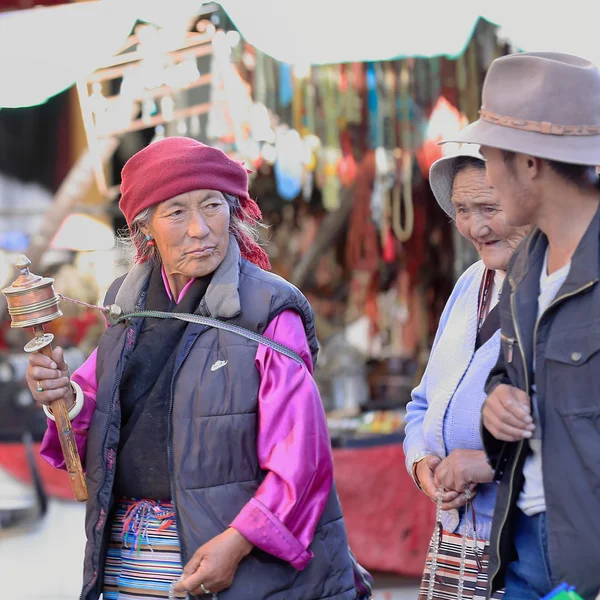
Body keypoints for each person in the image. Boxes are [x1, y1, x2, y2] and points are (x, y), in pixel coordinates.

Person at [25, 137, 363, 600]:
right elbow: (96, 411)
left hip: (231, 559)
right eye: (176, 212)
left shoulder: (268, 309)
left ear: (234, 212)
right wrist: (62, 399)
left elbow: (300, 456)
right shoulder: (127, 303)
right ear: (146, 228)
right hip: (130, 563)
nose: (200, 229)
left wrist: (240, 540)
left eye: (212, 206)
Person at [443, 52, 600, 600]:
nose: (484, 174)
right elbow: (512, 376)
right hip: (522, 546)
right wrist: (494, 404)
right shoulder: (528, 262)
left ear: (529, 163)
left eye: (489, 157)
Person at [404, 144, 529, 592]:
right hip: (456, 546)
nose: (476, 226)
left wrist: (490, 462)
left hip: (525, 547)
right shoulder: (469, 284)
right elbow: (421, 403)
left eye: (490, 207)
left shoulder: (566, 291)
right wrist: (422, 464)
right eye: (461, 209)